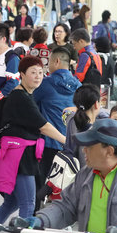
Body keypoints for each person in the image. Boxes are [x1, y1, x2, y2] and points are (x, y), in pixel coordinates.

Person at [0, 56, 66, 223]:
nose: (38, 76)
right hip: (20, 157)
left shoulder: (26, 95)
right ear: (22, 74)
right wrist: (67, 140)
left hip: (17, 155)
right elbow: (43, 126)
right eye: (33, 72)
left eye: (41, 73)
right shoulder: (20, 97)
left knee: (11, 202)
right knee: (28, 204)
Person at [33, 47, 81, 200]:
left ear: (57, 61)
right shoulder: (79, 86)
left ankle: (36, 216)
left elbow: (30, 105)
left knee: (41, 182)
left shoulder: (45, 84)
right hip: (71, 143)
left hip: (48, 143)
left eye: (49, 62)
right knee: (65, 183)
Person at [63, 84, 103, 167]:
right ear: (96, 104)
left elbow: (65, 111)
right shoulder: (93, 133)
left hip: (68, 173)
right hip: (83, 176)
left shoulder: (70, 119)